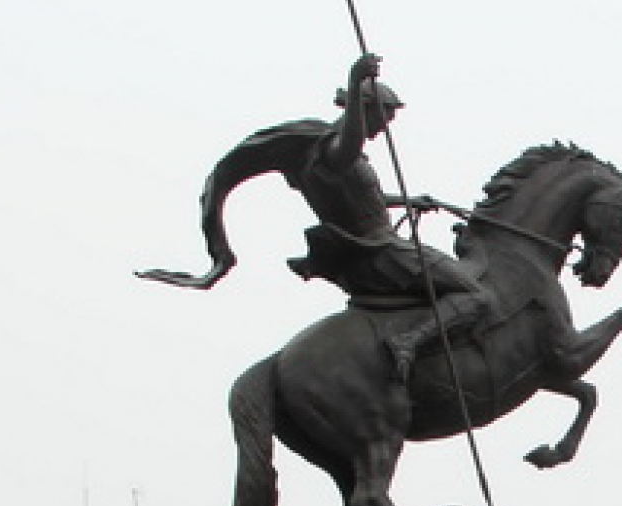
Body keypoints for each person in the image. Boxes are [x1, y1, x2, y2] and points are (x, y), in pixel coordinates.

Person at [138, 54, 488, 383]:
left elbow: (365, 200)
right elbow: (349, 146)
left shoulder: (335, 155)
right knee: (476, 296)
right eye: (384, 119)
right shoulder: (332, 152)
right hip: (380, 250)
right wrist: (355, 82)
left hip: (378, 245)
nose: (383, 130)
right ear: (367, 112)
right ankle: (408, 342)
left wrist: (410, 200)